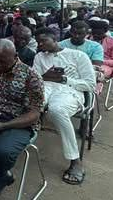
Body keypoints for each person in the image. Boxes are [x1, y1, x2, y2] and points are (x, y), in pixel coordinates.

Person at [0, 40, 44, 198]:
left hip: (18, 122)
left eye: (2, 61)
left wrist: (4, 125)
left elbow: (35, 113)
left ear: (15, 56)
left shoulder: (32, 77)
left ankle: (0, 176)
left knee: (2, 152)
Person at [34, 28, 95, 185]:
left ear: (55, 39)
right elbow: (35, 81)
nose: (40, 45)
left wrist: (65, 79)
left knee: (57, 110)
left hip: (70, 90)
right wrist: (44, 76)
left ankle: (75, 160)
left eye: (43, 41)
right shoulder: (39, 57)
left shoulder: (78, 56)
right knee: (30, 102)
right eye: (38, 42)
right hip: (46, 88)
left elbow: (90, 84)